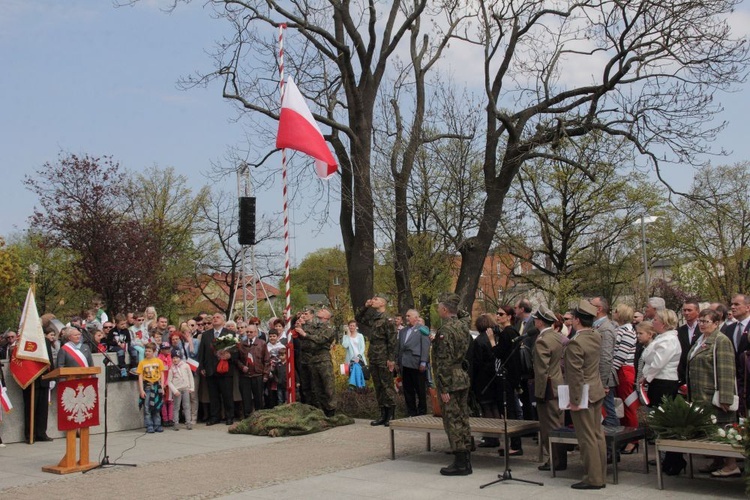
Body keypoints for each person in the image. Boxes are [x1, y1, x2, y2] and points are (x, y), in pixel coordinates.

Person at [688, 308, 740, 477]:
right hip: (700, 395)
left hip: (714, 396)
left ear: (717, 323)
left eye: (706, 321)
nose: (702, 325)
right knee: (711, 431)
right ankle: (717, 461)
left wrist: (725, 398)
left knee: (723, 430)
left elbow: (726, 370)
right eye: (700, 321)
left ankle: (731, 465)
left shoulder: (721, 340)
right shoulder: (701, 340)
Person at [564, 299, 606, 490]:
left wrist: (574, 400)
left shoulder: (576, 343)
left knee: (586, 437)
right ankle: (600, 474)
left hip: (584, 394)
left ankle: (593, 478)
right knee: (597, 435)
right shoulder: (595, 335)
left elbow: (575, 375)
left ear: (577, 320)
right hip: (595, 390)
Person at [433, 293, 473, 476]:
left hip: (450, 379)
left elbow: (443, 362)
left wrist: (443, 388)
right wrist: (456, 304)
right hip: (462, 377)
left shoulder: (445, 331)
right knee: (462, 418)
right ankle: (466, 459)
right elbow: (465, 315)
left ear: (444, 310)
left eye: (440, 307)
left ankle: (460, 462)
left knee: (452, 421)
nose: (437, 310)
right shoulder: (463, 326)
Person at [642, 308, 683, 475]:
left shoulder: (669, 340)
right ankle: (669, 457)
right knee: (659, 420)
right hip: (658, 381)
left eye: (656, 320)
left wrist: (646, 377)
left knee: (664, 421)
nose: (653, 322)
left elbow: (658, 363)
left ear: (664, 323)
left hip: (664, 382)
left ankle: (674, 458)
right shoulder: (662, 338)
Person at [532, 305, 567, 471]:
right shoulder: (557, 336)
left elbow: (541, 370)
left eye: (536, 319)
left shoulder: (542, 341)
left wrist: (538, 393)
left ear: (540, 322)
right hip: (559, 383)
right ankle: (560, 458)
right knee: (558, 422)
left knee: (548, 425)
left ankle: (554, 460)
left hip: (547, 388)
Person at [487, 306, 524, 456]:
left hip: (507, 377)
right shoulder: (512, 332)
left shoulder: (508, 332)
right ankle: (513, 443)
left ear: (509, 317)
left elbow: (499, 353)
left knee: (510, 411)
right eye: (496, 313)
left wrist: (491, 340)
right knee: (510, 410)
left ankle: (515, 444)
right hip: (510, 376)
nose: (497, 316)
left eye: (501, 314)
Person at [356, 296, 397, 426]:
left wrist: (391, 359)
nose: (373, 301)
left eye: (376, 299)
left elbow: (392, 341)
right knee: (378, 386)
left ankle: (391, 415)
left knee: (387, 386)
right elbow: (358, 318)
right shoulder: (374, 318)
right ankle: (382, 414)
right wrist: (366, 306)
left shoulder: (388, 319)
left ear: (383, 302)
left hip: (384, 355)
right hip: (374, 354)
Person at [296, 308, 337, 416]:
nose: (320, 310)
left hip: (323, 359)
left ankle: (331, 411)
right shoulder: (315, 327)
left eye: (323, 310)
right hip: (313, 359)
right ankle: (322, 410)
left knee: (328, 387)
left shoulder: (329, 328)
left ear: (327, 316)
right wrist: (300, 327)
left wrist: (305, 335)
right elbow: (306, 338)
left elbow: (320, 340)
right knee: (317, 388)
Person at [197, 312, 236, 426]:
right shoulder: (206, 335)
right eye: (213, 317)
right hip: (210, 369)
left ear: (223, 321)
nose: (215, 319)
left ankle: (229, 416)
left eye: (217, 317)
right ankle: (215, 417)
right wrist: (202, 367)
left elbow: (236, 351)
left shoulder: (230, 334)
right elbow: (202, 352)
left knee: (227, 395)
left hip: (225, 369)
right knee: (213, 396)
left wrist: (230, 356)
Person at [610, 304, 638, 452]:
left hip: (624, 370)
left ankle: (633, 439)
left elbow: (621, 353)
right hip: (618, 369)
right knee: (620, 406)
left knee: (628, 405)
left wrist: (612, 370)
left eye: (616, 311)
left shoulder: (627, 331)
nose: (613, 313)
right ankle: (624, 436)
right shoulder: (619, 329)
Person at [590, 296, 618, 428]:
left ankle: (612, 446)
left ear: (599, 309)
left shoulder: (605, 328)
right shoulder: (597, 326)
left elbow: (605, 357)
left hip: (603, 378)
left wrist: (604, 382)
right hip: (598, 377)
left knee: (608, 412)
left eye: (591, 305)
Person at [21, 331, 55, 444]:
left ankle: (41, 433)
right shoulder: (25, 341)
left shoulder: (45, 341)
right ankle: (30, 434)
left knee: (43, 409)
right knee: (30, 408)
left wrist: (53, 376)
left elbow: (50, 359)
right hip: (30, 380)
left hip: (44, 378)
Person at [396, 310, 430, 416]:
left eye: (408, 316)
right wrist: (398, 362)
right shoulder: (402, 331)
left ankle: (422, 412)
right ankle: (411, 412)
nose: (406, 318)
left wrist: (423, 362)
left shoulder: (422, 330)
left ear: (416, 317)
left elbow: (425, 346)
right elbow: (399, 348)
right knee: (408, 390)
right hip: (405, 364)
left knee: (420, 389)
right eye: (406, 316)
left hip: (417, 364)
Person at [235, 323, 270, 416]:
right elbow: (237, 359)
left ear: (256, 332)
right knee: (246, 398)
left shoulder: (262, 343)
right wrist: (242, 367)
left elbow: (267, 360)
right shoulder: (242, 344)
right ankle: (247, 417)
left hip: (258, 375)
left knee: (258, 398)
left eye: (251, 332)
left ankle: (259, 417)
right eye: (247, 332)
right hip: (245, 376)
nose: (249, 333)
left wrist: (266, 374)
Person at [137, 342, 165, 433]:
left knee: (157, 406)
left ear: (154, 352)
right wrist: (141, 390)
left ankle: (157, 424)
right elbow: (140, 376)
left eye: (149, 351)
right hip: (148, 386)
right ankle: (149, 425)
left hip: (157, 386)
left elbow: (162, 373)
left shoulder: (158, 361)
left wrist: (162, 386)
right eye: (146, 351)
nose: (147, 353)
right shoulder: (142, 363)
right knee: (147, 407)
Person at [168, 350, 194, 430]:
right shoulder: (171, 368)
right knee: (176, 407)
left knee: (186, 406)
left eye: (177, 358)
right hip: (177, 390)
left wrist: (191, 387)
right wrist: (174, 390)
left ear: (180, 358)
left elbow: (190, 376)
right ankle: (176, 422)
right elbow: (169, 381)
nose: (175, 360)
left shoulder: (185, 366)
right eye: (173, 358)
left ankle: (188, 422)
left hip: (185, 388)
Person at [341, 320, 368, 390]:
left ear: (356, 327)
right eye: (350, 326)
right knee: (352, 371)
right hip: (350, 359)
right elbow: (345, 345)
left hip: (360, 359)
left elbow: (362, 348)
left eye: (353, 326)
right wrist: (348, 335)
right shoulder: (346, 336)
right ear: (348, 326)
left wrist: (358, 357)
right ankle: (357, 387)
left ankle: (356, 386)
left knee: (358, 369)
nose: (352, 327)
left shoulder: (360, 336)